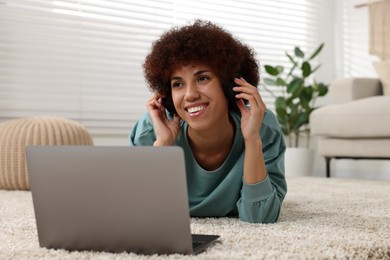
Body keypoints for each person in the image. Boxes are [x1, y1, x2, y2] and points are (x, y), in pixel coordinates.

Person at [129, 20, 287, 223]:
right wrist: (162, 145)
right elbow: (137, 213)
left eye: (202, 78)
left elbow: (260, 218)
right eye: (178, 84)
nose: (190, 95)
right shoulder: (151, 130)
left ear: (229, 84)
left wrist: (252, 140)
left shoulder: (262, 127)